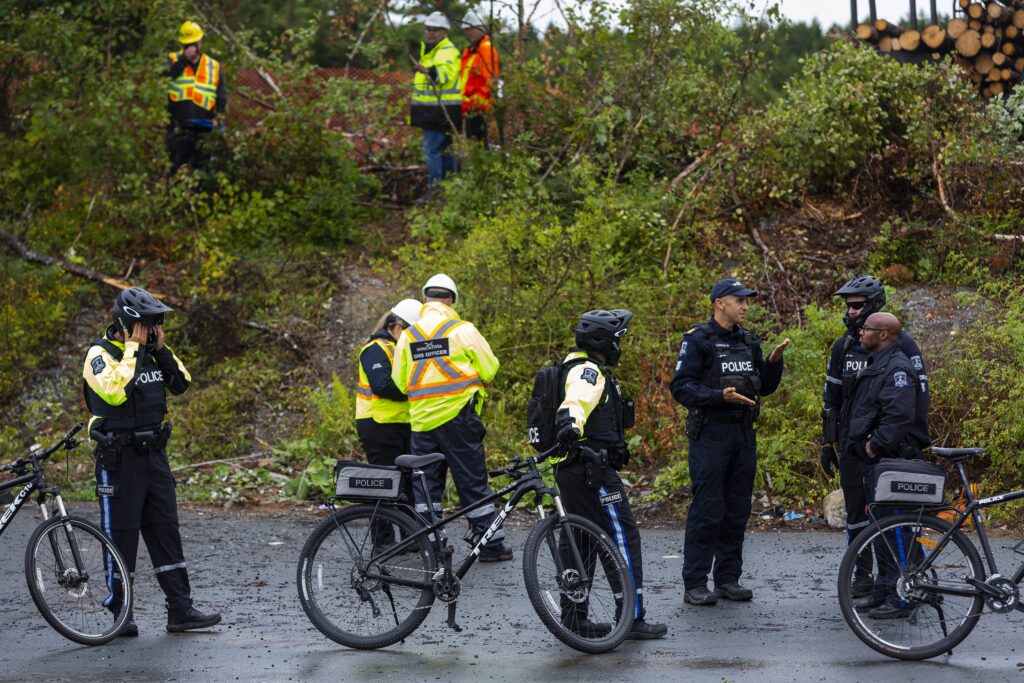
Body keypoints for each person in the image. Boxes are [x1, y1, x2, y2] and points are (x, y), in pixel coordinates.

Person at [82, 287, 221, 636]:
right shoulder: (100, 354)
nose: (152, 330)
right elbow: (114, 391)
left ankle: (180, 609)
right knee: (122, 537)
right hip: (119, 458)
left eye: (155, 325)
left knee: (165, 530)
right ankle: (120, 613)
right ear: (127, 323)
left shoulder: (154, 353)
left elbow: (182, 383)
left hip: (154, 455)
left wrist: (159, 350)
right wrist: (132, 348)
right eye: (147, 325)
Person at [669, 278, 790, 606]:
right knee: (708, 509)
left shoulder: (749, 341)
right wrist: (717, 396)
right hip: (710, 436)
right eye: (740, 301)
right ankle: (695, 582)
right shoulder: (698, 340)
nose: (746, 307)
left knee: (737, 510)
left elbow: (762, 387)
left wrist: (774, 364)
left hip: (743, 436)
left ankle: (727, 579)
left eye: (748, 301)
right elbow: (681, 387)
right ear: (720, 302)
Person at [553, 309, 668, 640]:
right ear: (604, 341)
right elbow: (575, 403)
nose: (621, 345)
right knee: (622, 536)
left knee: (578, 540)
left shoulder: (567, 365)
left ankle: (574, 616)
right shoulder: (588, 371)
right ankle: (631, 616)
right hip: (593, 469)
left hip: (570, 469)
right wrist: (570, 424)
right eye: (619, 339)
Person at [820, 274, 930, 599]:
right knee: (857, 514)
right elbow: (832, 399)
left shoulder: (901, 344)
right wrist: (829, 443)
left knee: (893, 517)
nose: (852, 313)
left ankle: (905, 581)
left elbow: (916, 398)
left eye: (857, 307)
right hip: (852, 447)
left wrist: (909, 442)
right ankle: (864, 575)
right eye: (848, 307)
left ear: (873, 307)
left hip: (889, 448)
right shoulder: (844, 346)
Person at [390, 274, 511, 561]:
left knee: (426, 487)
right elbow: (490, 369)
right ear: (451, 300)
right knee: (471, 481)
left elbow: (399, 382)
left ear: (424, 300)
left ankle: (432, 545)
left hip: (422, 424)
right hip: (459, 419)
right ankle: (490, 545)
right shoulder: (462, 330)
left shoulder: (408, 336)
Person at [837, 312, 921, 618]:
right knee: (882, 530)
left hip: (891, 461)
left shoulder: (897, 368)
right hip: (876, 464)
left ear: (883, 335)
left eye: (867, 329)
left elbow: (899, 417)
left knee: (896, 531)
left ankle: (902, 598)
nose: (861, 333)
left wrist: (873, 447)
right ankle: (884, 589)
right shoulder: (879, 363)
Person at [355, 298, 421, 545]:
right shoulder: (374, 349)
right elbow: (382, 385)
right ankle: (383, 541)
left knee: (407, 483)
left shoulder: (398, 348)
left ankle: (411, 538)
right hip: (377, 424)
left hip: (401, 423)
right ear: (397, 327)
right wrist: (418, 389)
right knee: (383, 484)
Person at [410, 12, 462, 198]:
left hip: (440, 111)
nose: (430, 33)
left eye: (435, 30)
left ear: (444, 32)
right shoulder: (431, 51)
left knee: (432, 150)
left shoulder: (447, 51)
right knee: (445, 150)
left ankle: (435, 191)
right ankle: (451, 188)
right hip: (433, 111)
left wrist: (429, 71)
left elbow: (444, 73)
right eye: (428, 29)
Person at [164, 21, 227, 172]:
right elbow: (164, 78)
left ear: (200, 42)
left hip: (204, 131)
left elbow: (221, 96)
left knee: (204, 173)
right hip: (178, 129)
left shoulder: (213, 66)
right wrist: (183, 60)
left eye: (194, 44)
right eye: (187, 45)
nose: (191, 48)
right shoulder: (173, 61)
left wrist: (218, 118)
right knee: (175, 172)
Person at [459, 10, 499, 145]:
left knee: (479, 143)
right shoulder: (472, 51)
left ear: (479, 29)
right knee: (474, 143)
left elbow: (488, 79)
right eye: (466, 30)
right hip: (470, 108)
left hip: (479, 109)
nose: (467, 33)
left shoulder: (485, 49)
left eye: (470, 29)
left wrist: (479, 105)